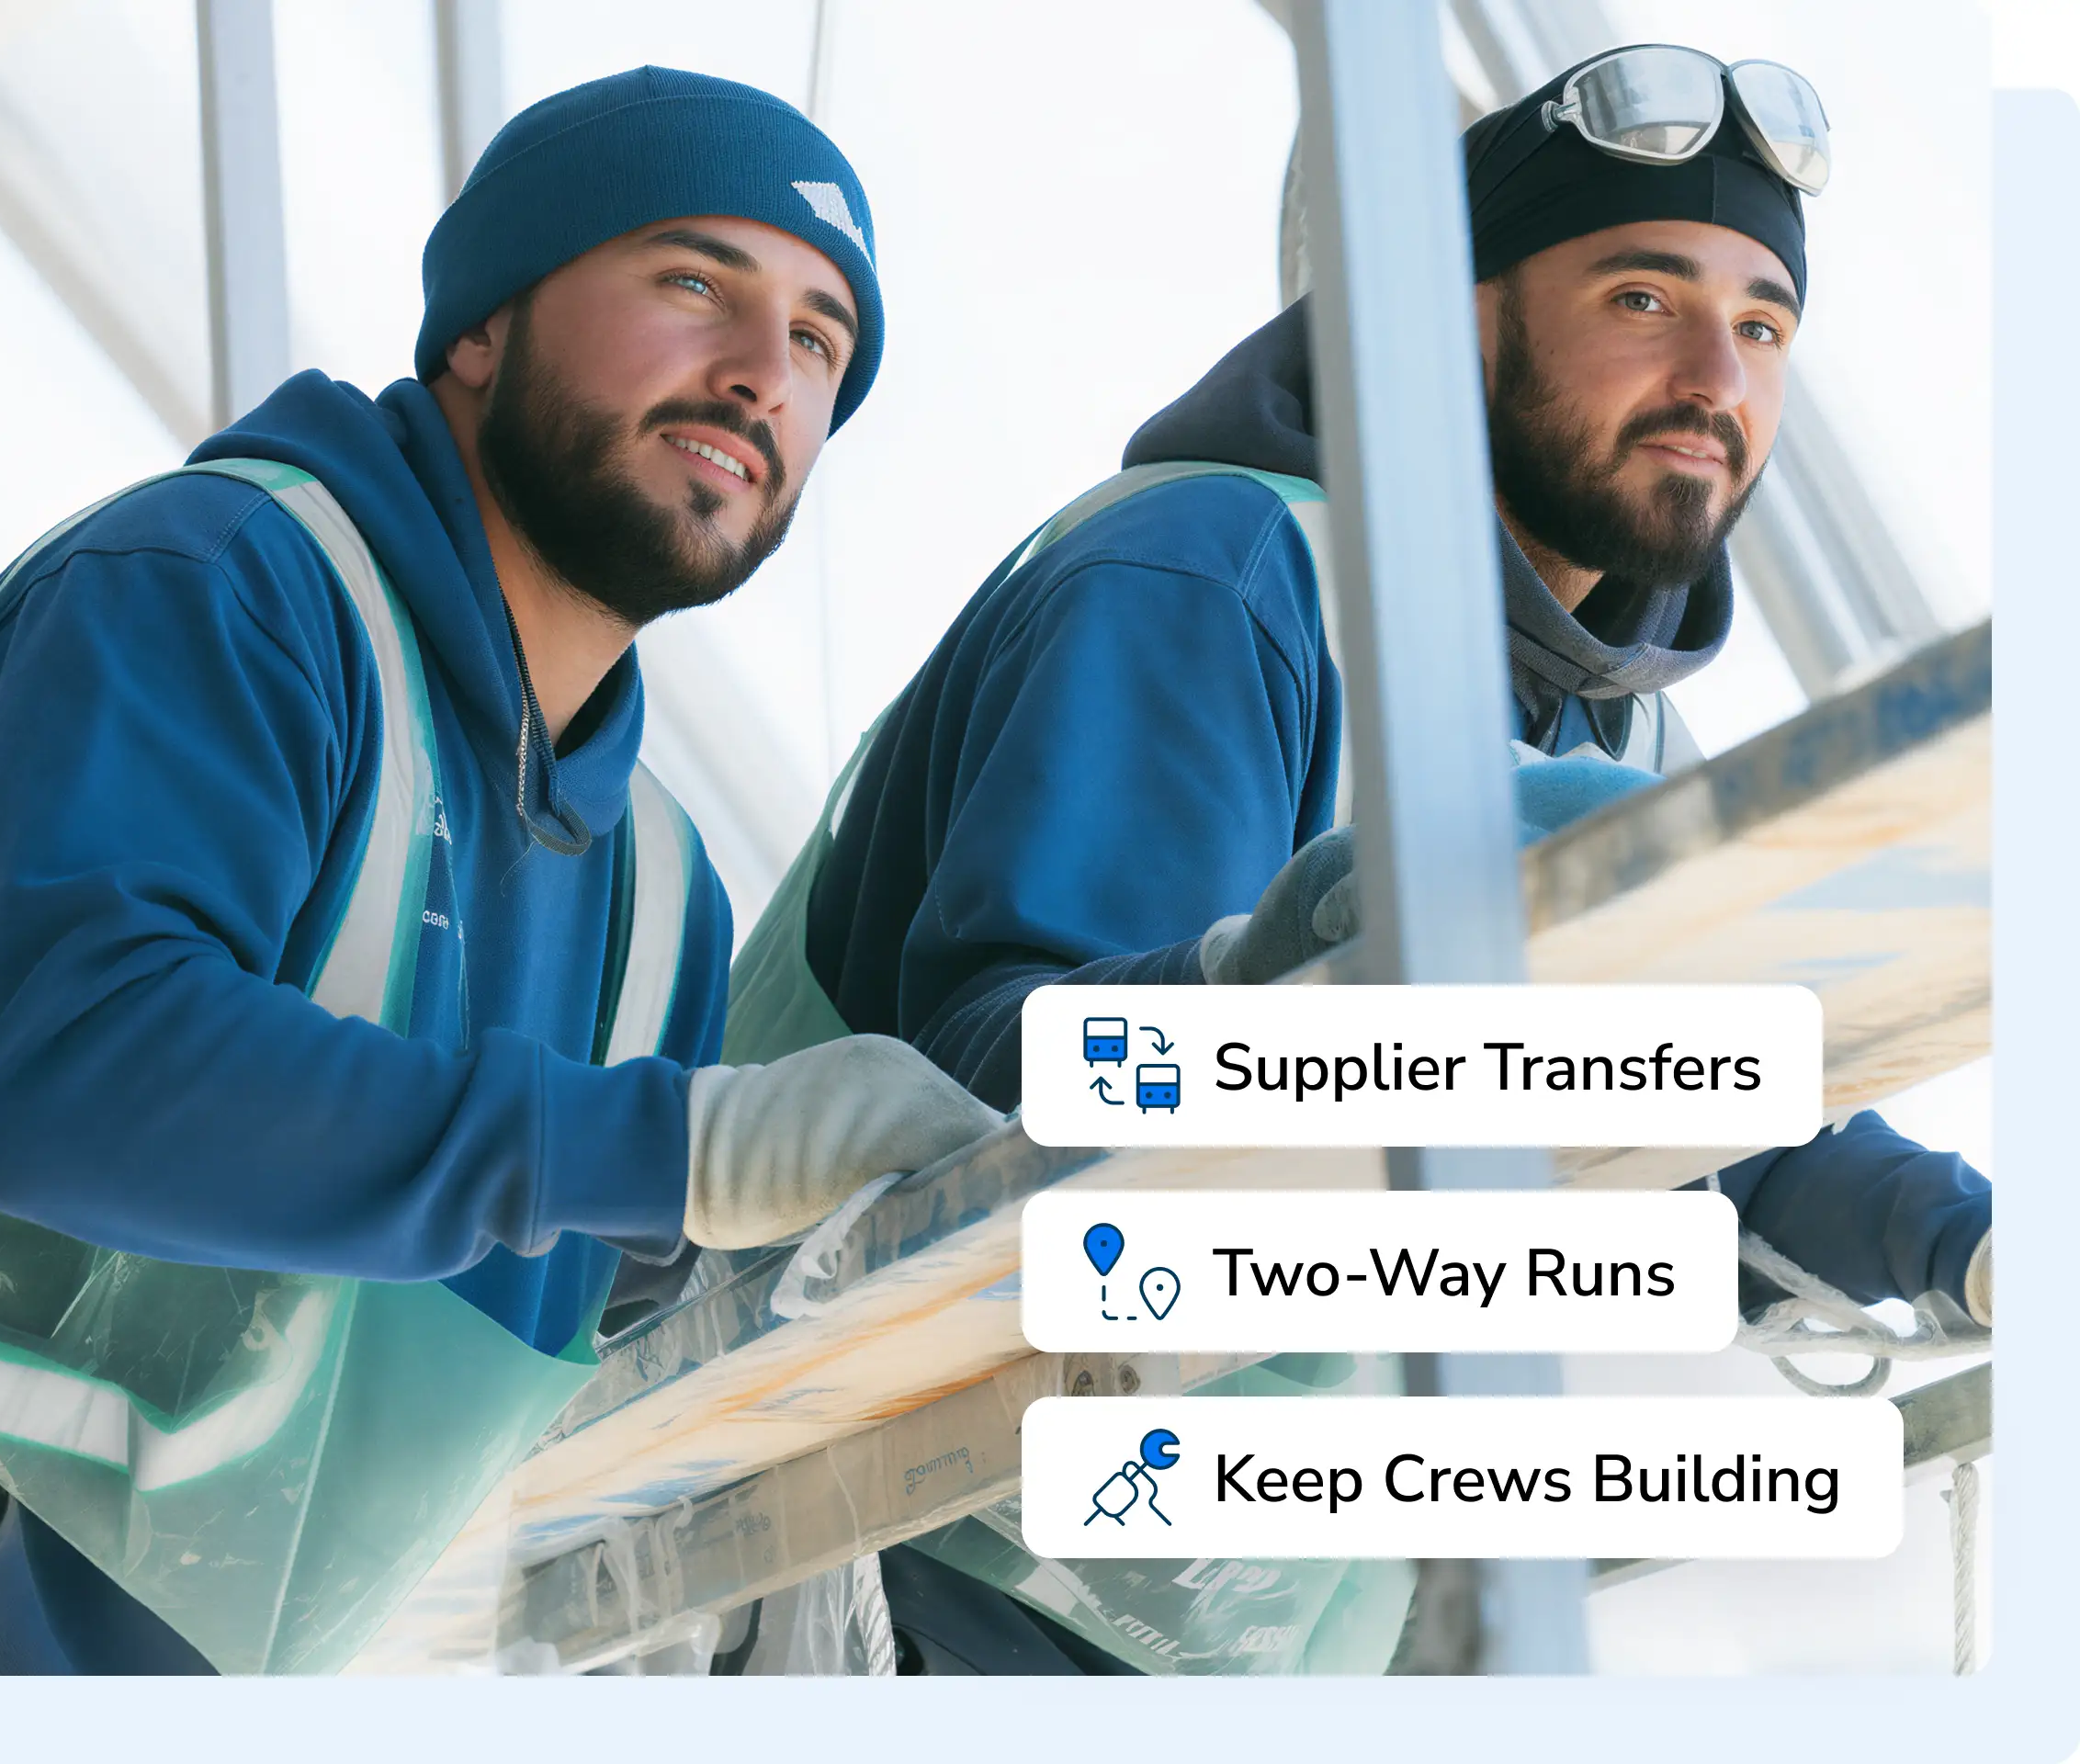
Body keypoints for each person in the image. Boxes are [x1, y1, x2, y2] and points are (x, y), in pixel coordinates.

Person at [0, 66, 999, 1677]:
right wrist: (684, 1141)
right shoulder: (216, 593)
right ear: (481, 329)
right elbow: (84, 1074)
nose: (763, 372)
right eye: (695, 280)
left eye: (821, 342)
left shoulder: (658, 895)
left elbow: (482, 1404)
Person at [724, 46, 1991, 1675]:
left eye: (1762, 326)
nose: (1715, 377)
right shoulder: (1210, 573)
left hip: (1244, 1618)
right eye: (1640, 299)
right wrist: (1301, 967)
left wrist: (1962, 1245)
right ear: (1456, 318)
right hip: (928, 1568)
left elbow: (1691, 1111)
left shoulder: (1612, 747)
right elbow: (989, 1079)